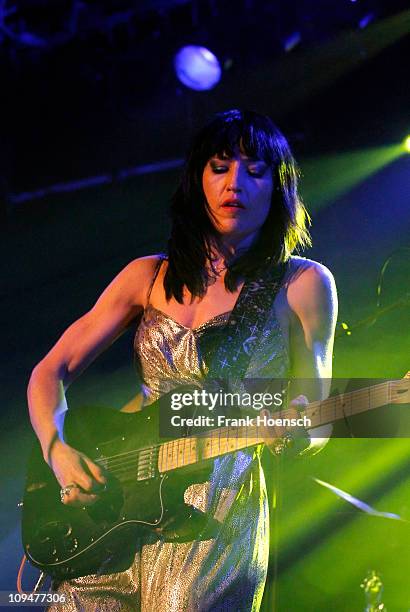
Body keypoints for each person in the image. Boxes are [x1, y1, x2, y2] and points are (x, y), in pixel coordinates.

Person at [27, 109, 337, 611]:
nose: (235, 181)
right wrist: (57, 450)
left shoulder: (302, 283)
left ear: (277, 186)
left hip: (215, 507)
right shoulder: (146, 277)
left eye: (255, 170)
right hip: (116, 512)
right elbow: (49, 371)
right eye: (220, 166)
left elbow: (318, 409)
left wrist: (301, 430)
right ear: (197, 179)